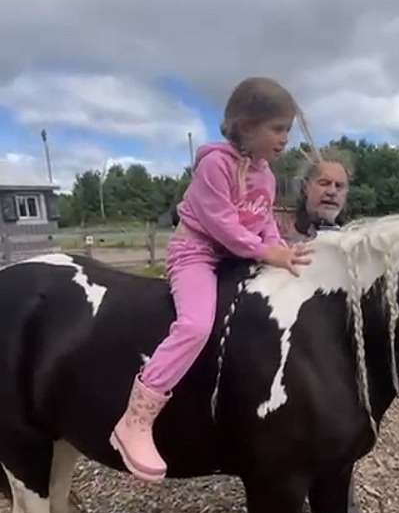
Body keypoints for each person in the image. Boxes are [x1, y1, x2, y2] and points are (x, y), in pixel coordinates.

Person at [110, 77, 312, 481]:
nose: (285, 138)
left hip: (234, 256)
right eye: (277, 128)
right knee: (196, 325)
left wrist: (281, 252)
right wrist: (264, 250)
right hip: (197, 253)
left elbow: (264, 223)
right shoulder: (214, 165)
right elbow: (221, 224)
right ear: (245, 125)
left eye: (288, 129)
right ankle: (135, 418)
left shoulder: (267, 176)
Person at [290, 152, 389, 513]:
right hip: (289, 356)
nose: (331, 191)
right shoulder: (280, 236)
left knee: (340, 435)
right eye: (323, 183)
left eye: (339, 185)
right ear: (305, 188)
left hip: (337, 359)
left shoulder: (355, 242)